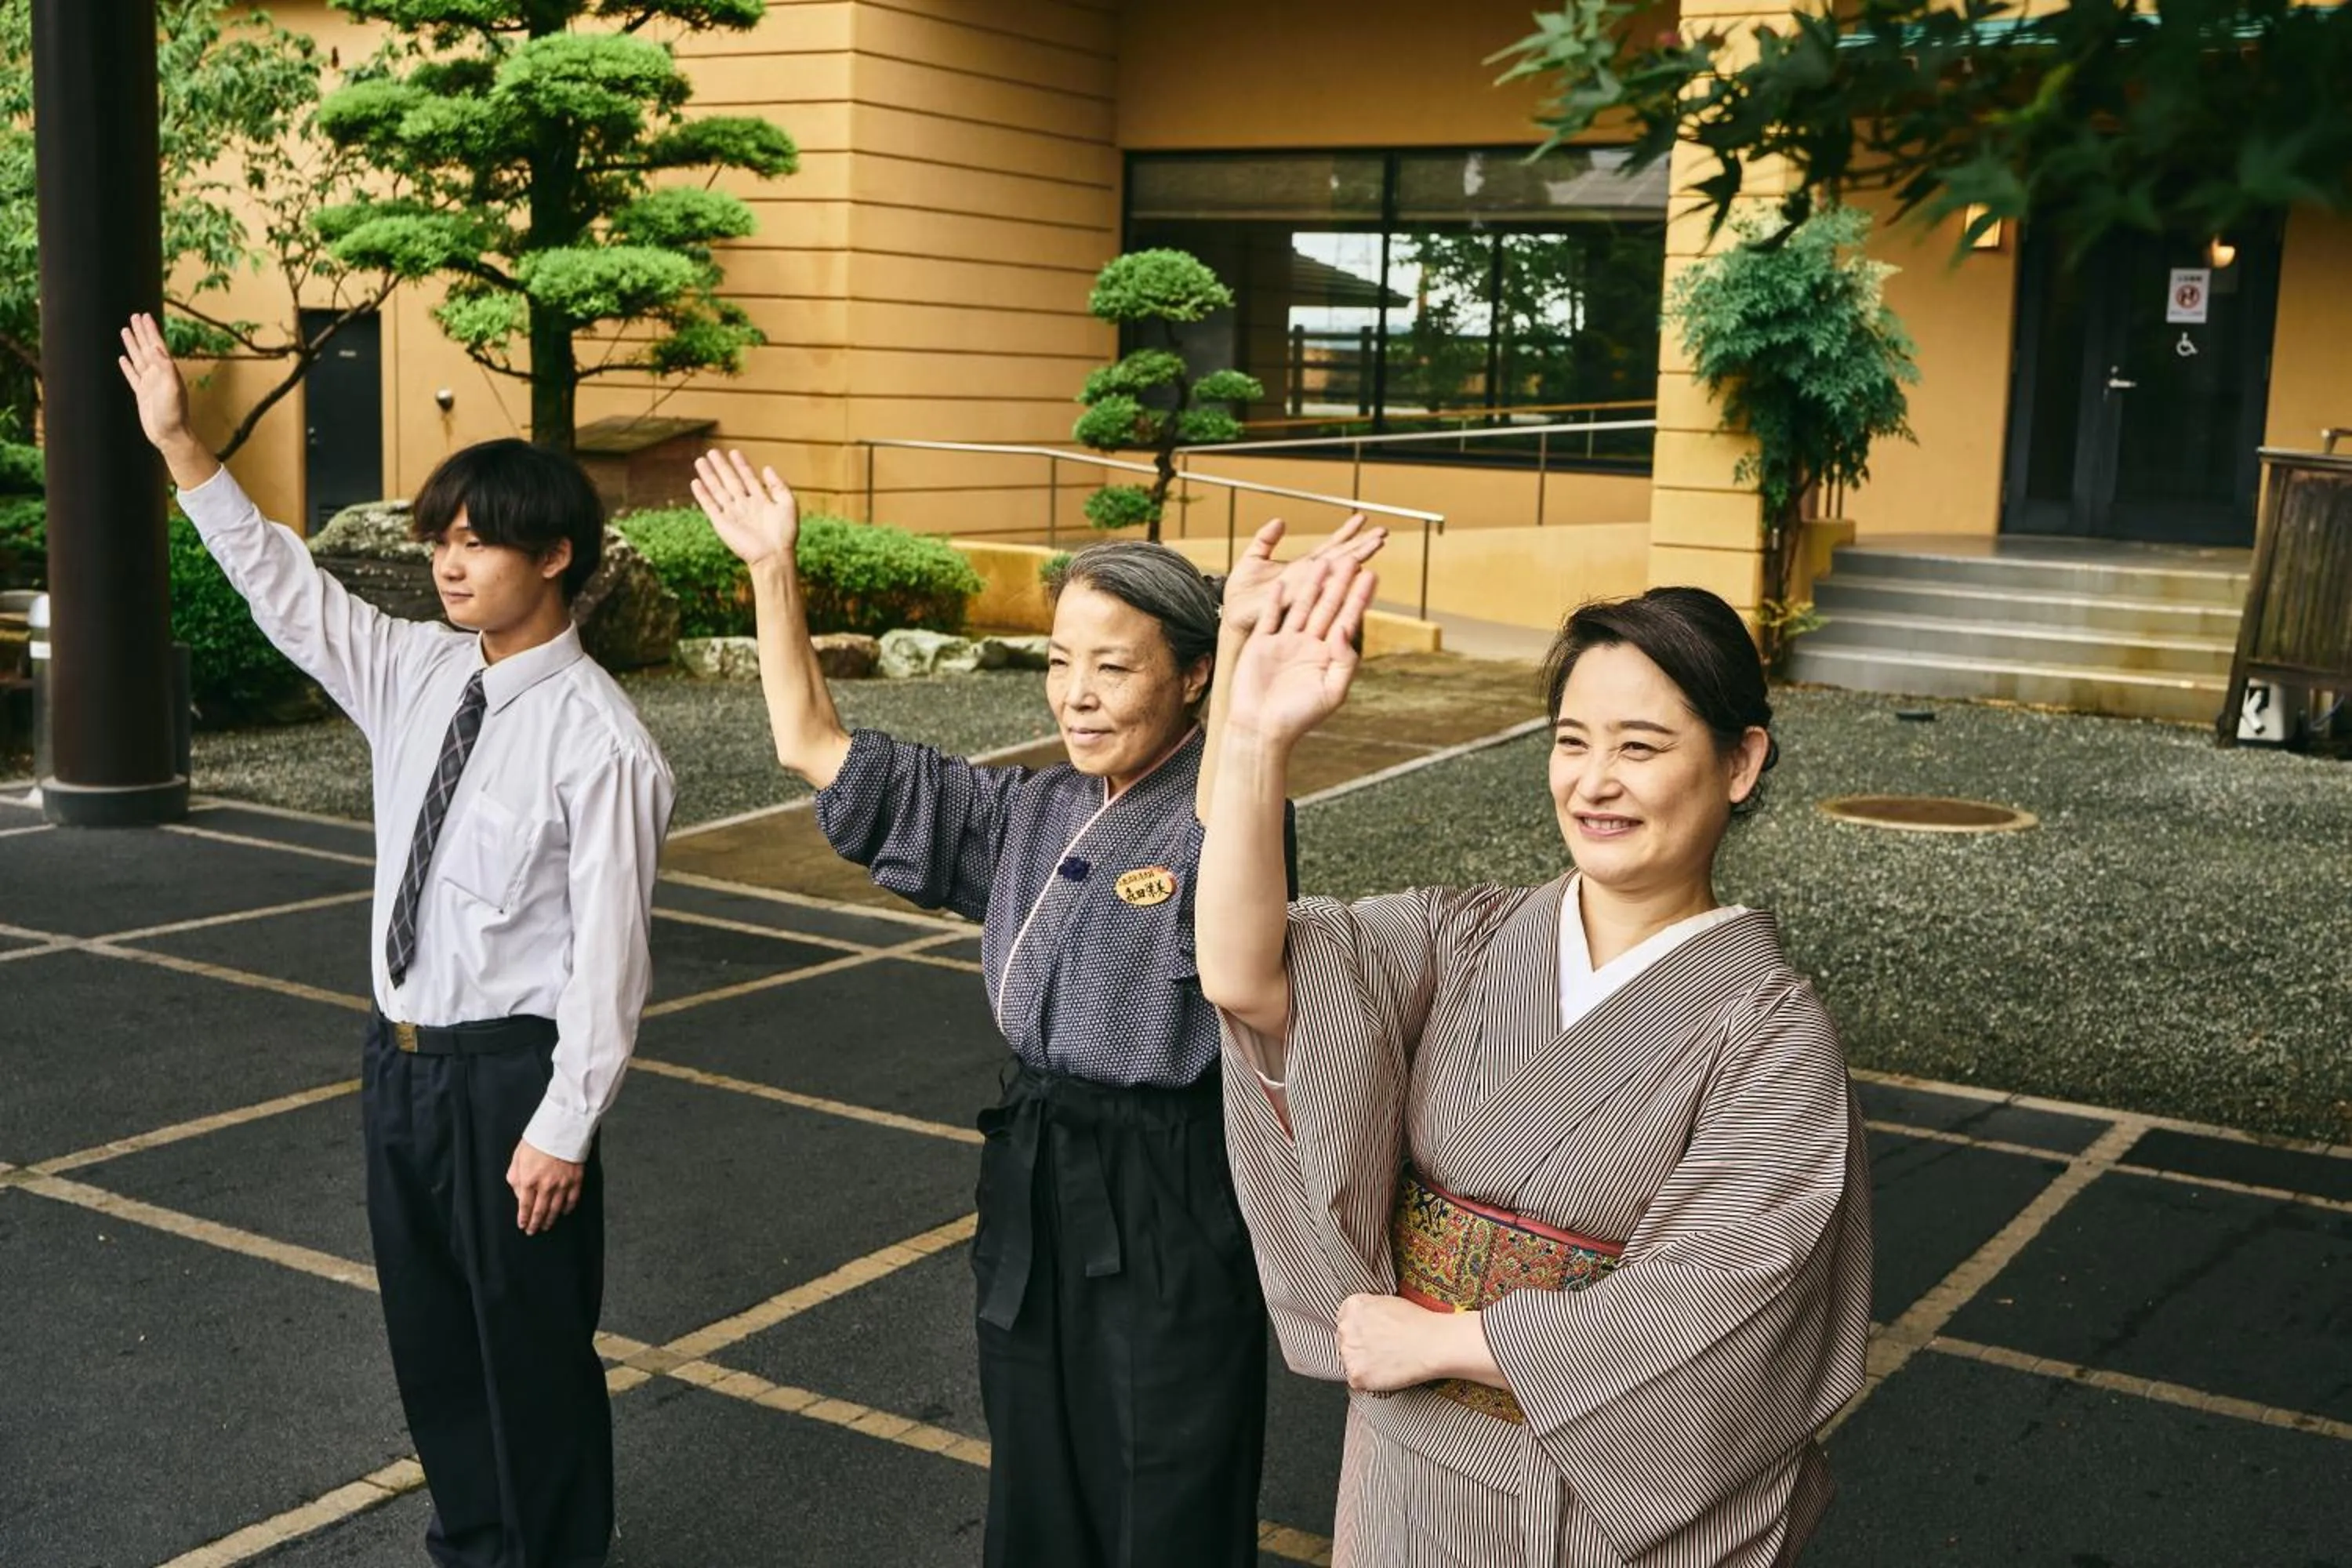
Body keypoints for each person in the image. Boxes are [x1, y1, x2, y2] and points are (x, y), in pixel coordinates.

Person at [688, 448, 1379, 1568]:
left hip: (1168, 1182)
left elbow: (1224, 821)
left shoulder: (1229, 807)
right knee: (1037, 1460)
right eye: (1061, 662)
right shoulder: (1028, 809)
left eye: (1114, 666)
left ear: (1192, 678)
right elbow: (812, 747)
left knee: (1165, 1476)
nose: (1077, 694)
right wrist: (774, 568)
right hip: (1038, 1166)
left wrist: (1252, 669)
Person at [118, 314, 675, 1568]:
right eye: (441, 540)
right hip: (403, 1065)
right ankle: (473, 1547)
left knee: (530, 1352)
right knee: (432, 1345)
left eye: (477, 542)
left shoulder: (602, 742)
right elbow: (281, 583)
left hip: (511, 1080)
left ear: (556, 556)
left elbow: (611, 959)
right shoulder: (416, 671)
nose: (449, 564)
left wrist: (566, 1124)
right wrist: (181, 446)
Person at [1196, 556, 1873, 1568]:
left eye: (1640, 746)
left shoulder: (1770, 1032)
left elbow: (1724, 1296)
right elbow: (1246, 975)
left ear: (1740, 762)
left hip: (1590, 1495)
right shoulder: (1467, 936)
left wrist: (1447, 1341)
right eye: (1572, 741)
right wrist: (1255, 739)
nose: (1595, 781)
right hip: (1406, 1454)